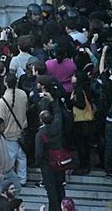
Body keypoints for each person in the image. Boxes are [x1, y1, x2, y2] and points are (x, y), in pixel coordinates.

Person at [35, 75, 66, 211]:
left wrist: (40, 162)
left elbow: (38, 153)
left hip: (48, 164)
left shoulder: (41, 134)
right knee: (60, 187)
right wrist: (53, 101)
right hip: (59, 160)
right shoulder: (58, 125)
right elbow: (58, 112)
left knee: (51, 191)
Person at [0, 73, 28, 186]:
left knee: (10, 158)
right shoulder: (23, 94)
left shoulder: (2, 101)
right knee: (22, 157)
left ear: (5, 83)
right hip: (22, 132)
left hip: (8, 134)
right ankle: (22, 179)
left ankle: (12, 181)